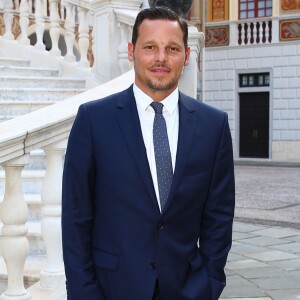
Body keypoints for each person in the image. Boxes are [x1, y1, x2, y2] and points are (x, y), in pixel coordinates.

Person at [62, 6, 235, 300]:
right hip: (111, 290)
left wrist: (209, 282)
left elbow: (219, 216)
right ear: (131, 51)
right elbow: (76, 219)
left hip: (187, 289)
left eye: (172, 48)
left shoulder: (213, 125)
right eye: (150, 47)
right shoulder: (93, 121)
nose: (161, 58)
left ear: (187, 55)